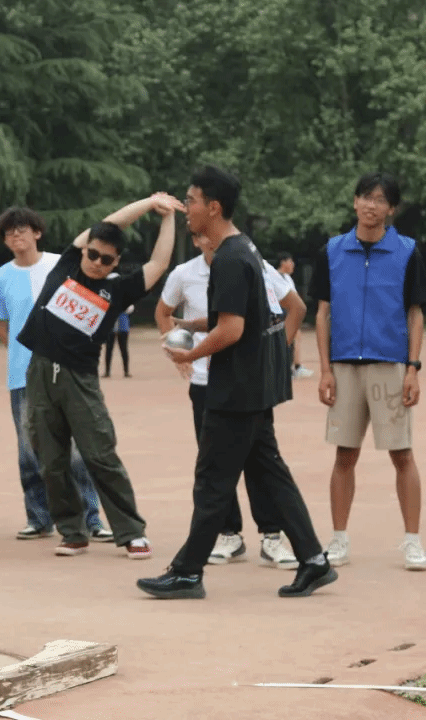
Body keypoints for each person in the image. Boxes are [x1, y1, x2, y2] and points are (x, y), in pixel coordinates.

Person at [138, 166, 336, 600]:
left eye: (191, 201)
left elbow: (232, 329)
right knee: (270, 474)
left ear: (213, 207)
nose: (186, 208)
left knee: (212, 480)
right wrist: (194, 324)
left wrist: (189, 354)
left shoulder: (228, 258)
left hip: (235, 389)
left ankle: (187, 572)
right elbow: (247, 316)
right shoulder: (245, 248)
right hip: (253, 386)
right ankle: (314, 561)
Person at [17, 193, 182, 560]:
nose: (96, 262)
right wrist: (149, 202)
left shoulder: (118, 290)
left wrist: (168, 216)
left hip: (80, 380)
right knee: (50, 460)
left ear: (116, 263)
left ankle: (132, 532)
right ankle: (73, 532)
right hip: (40, 372)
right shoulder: (68, 265)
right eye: (93, 254)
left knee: (100, 454)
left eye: (106, 259)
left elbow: (159, 263)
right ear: (85, 250)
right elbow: (107, 224)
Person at [156, 233, 302, 570]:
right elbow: (163, 312)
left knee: (258, 461)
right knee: (214, 465)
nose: (206, 239)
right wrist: (177, 351)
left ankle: (271, 535)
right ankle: (228, 534)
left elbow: (295, 308)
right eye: (198, 234)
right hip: (206, 383)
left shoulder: (251, 264)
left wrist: (276, 354)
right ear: (195, 240)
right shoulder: (184, 273)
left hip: (247, 382)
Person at [310, 171, 426, 571]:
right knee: (344, 454)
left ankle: (413, 542)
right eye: (365, 197)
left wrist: (412, 368)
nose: (370, 205)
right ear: (354, 201)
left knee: (402, 453)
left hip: (390, 365)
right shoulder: (332, 251)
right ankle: (339, 539)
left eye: (379, 200)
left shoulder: (408, 252)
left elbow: (415, 313)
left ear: (391, 209)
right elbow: (322, 314)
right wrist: (324, 370)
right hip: (344, 366)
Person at [0, 208, 112, 543]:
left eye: (22, 229)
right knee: (29, 448)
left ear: (37, 232)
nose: (16, 236)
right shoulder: (0, 278)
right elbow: (2, 326)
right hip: (23, 375)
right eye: (9, 232)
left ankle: (90, 517)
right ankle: (39, 517)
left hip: (67, 369)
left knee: (77, 447)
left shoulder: (62, 264)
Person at [275, 252, 312, 380]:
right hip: (280, 314)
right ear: (283, 262)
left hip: (290, 313)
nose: (293, 265)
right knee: (284, 340)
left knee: (296, 337)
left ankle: (295, 366)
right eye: (290, 261)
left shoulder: (288, 278)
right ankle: (287, 368)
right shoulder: (275, 276)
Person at [103, 303, 132, 378]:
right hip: (110, 326)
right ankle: (107, 371)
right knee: (109, 349)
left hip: (123, 326)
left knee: (124, 349)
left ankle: (126, 371)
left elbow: (130, 308)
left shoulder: (126, 299)